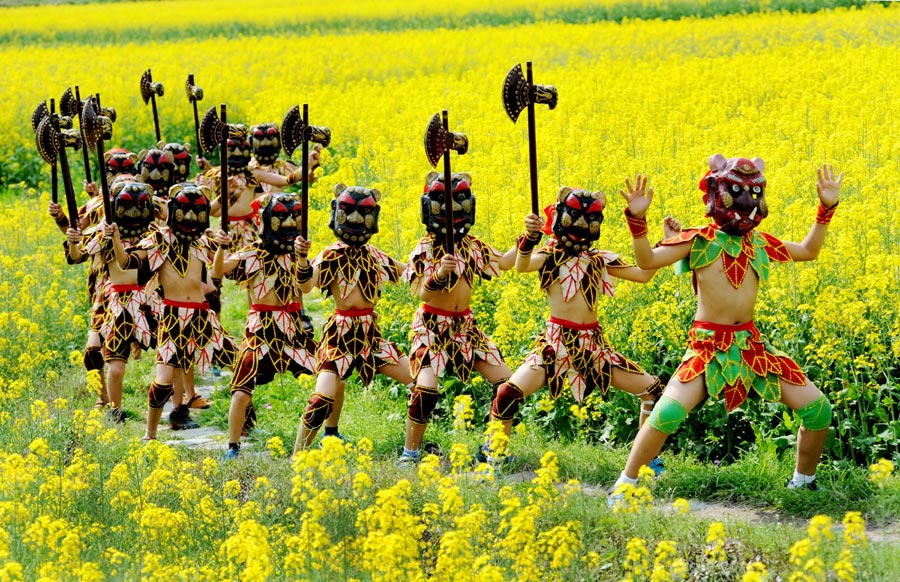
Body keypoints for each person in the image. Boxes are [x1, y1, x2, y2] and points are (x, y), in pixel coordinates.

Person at [610, 158, 841, 499]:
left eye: (753, 192)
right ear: (716, 196)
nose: (747, 201)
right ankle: (625, 486)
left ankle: (803, 483)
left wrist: (826, 208)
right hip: (708, 349)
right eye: (737, 191)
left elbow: (809, 251)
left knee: (818, 409)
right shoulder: (698, 240)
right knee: (669, 411)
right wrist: (637, 220)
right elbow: (647, 262)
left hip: (751, 348)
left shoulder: (759, 243)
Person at [488, 187, 680, 466]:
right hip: (555, 346)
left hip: (593, 348)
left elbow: (643, 275)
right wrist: (529, 237)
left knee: (653, 391)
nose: (580, 227)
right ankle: (495, 457)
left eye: (589, 219)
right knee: (507, 394)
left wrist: (666, 242)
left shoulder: (598, 259)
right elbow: (522, 265)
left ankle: (648, 461)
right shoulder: (549, 256)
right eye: (573, 217)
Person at [397, 171, 517, 467]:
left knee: (506, 384)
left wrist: (527, 240)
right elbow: (420, 292)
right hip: (431, 329)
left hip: (466, 328)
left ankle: (494, 449)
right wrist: (437, 275)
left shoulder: (473, 245)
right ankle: (410, 453)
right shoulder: (424, 248)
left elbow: (504, 263)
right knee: (426, 390)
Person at [110, 182, 236, 439]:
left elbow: (216, 273)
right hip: (171, 315)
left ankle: (243, 424)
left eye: (197, 211)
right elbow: (126, 262)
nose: (190, 217)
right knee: (162, 382)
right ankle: (150, 434)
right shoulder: (159, 239)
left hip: (201, 314)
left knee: (240, 365)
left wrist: (223, 246)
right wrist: (114, 237)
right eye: (185, 210)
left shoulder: (203, 241)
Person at [293, 184, 414, 452]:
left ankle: (412, 451)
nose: (357, 220)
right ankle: (296, 457)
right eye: (349, 212)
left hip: (371, 336)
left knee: (421, 383)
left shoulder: (376, 256)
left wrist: (437, 265)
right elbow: (306, 285)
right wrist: (302, 259)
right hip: (339, 336)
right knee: (322, 398)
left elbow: (410, 275)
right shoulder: (330, 254)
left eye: (364, 213)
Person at [211, 191, 318, 460]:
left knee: (327, 379)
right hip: (260, 329)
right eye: (281, 218)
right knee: (241, 389)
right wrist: (221, 246)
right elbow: (218, 271)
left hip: (293, 328)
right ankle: (233, 446)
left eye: (294, 218)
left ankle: (329, 432)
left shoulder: (297, 253)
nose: (289, 224)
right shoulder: (252, 254)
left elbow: (306, 286)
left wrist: (304, 259)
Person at [67, 179, 160, 423]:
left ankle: (182, 402)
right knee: (113, 366)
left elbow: (130, 261)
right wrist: (73, 240)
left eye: (139, 206)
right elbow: (77, 256)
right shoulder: (102, 232)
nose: (133, 213)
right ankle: (113, 411)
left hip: (149, 299)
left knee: (176, 352)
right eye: (126, 206)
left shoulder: (153, 236)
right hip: (116, 302)